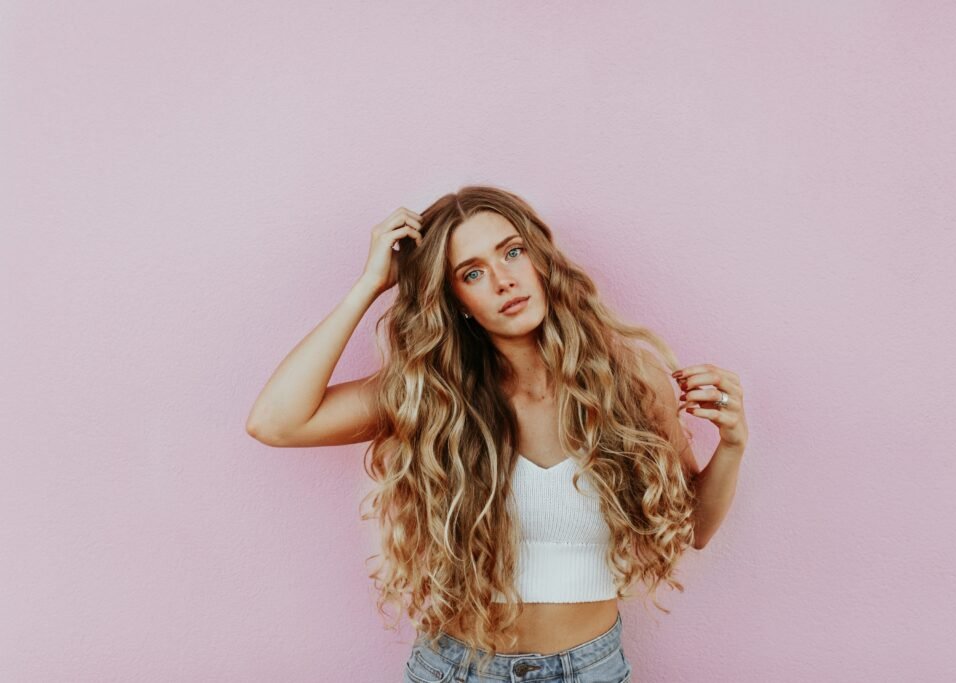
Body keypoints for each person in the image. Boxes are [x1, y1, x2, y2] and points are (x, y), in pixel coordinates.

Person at [246, 185, 748, 682]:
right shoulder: (432, 395)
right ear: (455, 300)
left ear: (541, 259)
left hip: (590, 670)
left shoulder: (630, 381)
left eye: (512, 252)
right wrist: (371, 284)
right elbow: (276, 422)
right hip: (458, 669)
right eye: (473, 273)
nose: (504, 281)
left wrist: (731, 445)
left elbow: (694, 530)